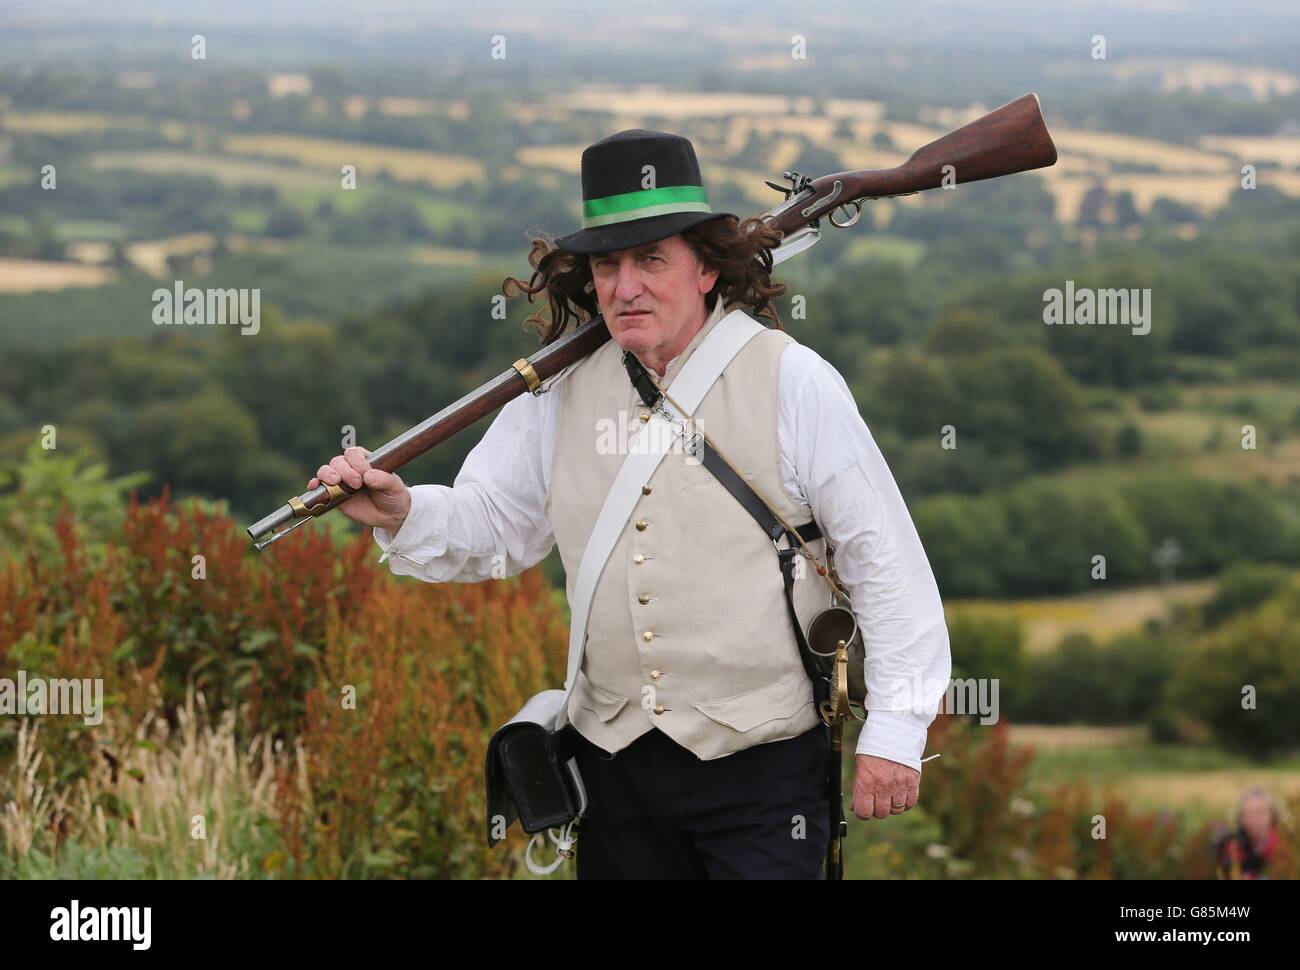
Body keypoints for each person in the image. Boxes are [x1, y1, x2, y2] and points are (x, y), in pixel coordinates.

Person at [309, 129, 951, 879]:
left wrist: (897, 731)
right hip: (611, 769)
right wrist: (400, 511)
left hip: (764, 771)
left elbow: (885, 562)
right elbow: (496, 527)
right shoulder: (555, 393)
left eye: (651, 260)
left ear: (707, 270)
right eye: (608, 265)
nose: (625, 286)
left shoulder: (795, 381)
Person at [1217, 787, 1282, 879]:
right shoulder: (1233, 847)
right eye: (1248, 813)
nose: (1254, 819)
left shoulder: (1283, 846)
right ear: (1240, 818)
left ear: (1272, 815)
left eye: (1260, 812)